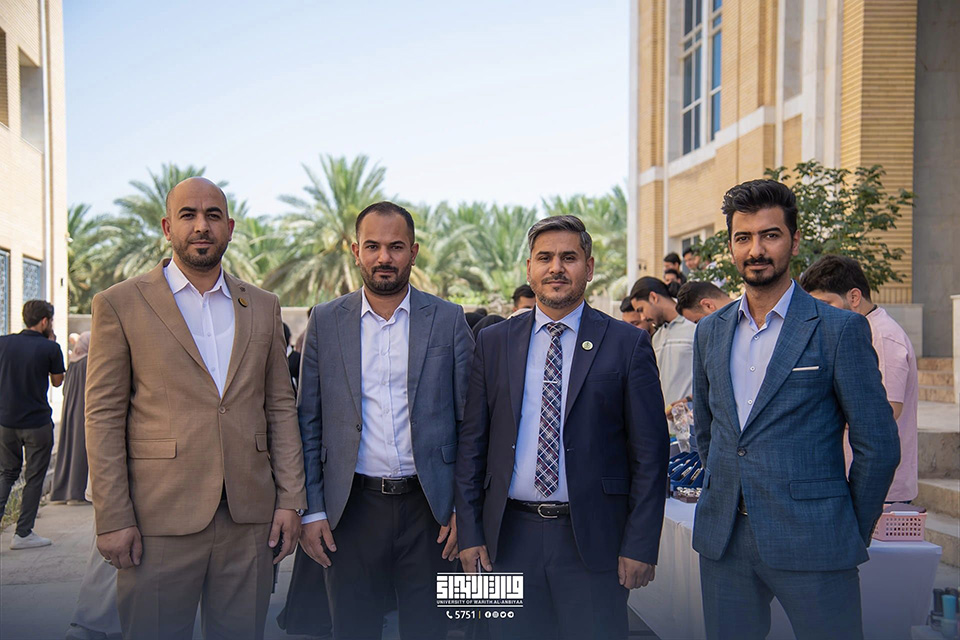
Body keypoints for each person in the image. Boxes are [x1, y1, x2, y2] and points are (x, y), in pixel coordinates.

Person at [84, 177, 306, 640]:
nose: (201, 226)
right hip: (159, 519)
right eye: (188, 215)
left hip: (249, 519)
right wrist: (113, 516)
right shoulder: (120, 304)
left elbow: (281, 407)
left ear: (230, 228)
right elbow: (103, 417)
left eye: (213, 216)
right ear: (168, 227)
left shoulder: (262, 305)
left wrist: (291, 499)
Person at [691, 179, 900, 640]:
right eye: (743, 237)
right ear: (731, 246)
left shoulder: (838, 329)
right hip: (725, 541)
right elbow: (708, 432)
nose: (756, 250)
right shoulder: (709, 331)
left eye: (770, 235)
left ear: (794, 240)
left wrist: (849, 526)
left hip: (816, 538)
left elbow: (878, 444)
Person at [456, 215, 669, 640]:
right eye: (545, 258)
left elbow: (650, 454)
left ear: (588, 268)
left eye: (569, 257)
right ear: (529, 269)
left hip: (593, 542)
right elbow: (472, 444)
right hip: (505, 540)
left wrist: (641, 544)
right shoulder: (493, 343)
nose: (556, 268)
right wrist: (469, 533)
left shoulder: (628, 344)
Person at [297, 201, 474, 640]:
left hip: (431, 512)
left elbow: (471, 422)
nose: (384, 257)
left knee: (430, 630)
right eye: (372, 246)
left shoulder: (448, 319)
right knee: (352, 629)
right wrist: (312, 510)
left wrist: (463, 509)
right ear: (355, 251)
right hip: (350, 510)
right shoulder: (325, 320)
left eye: (395, 247)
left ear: (413, 252)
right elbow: (309, 422)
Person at [800, 254, 919, 503]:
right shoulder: (857, 331)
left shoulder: (883, 337)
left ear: (854, 297)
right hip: (853, 480)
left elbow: (886, 412)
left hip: (880, 491)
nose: (819, 315)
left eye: (825, 304)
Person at [0, 299, 65, 550]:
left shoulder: (3, 343)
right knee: (34, 477)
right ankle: (23, 533)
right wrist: (52, 346)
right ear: (45, 321)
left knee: (7, 473)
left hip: (6, 421)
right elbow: (57, 381)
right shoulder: (51, 347)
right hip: (37, 424)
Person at [631, 277, 696, 409]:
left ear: (653, 297)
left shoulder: (694, 326)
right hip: (664, 419)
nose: (643, 317)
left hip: (694, 419)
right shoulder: (656, 338)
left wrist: (688, 400)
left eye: (641, 309)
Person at [50, 331, 91, 503]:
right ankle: (77, 492)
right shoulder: (88, 362)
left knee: (68, 449)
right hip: (84, 411)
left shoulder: (73, 362)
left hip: (70, 412)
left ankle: (63, 492)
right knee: (81, 449)